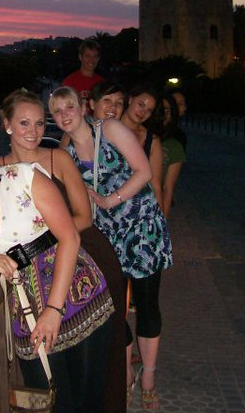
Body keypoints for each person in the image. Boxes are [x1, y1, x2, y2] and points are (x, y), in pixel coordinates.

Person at [0, 117, 114, 413]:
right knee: (51, 404)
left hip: (79, 297)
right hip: (27, 319)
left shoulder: (23, 177)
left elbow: (69, 237)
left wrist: (54, 310)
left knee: (89, 400)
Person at [0, 89, 127, 413]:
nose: (33, 131)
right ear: (6, 124)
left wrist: (43, 237)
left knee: (90, 389)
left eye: (40, 123)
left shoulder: (58, 158)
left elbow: (83, 217)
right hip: (29, 290)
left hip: (80, 270)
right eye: (24, 122)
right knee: (54, 396)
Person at [49, 87, 172, 411]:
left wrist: (109, 199)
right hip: (107, 237)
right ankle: (125, 375)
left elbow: (144, 171)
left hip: (141, 227)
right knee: (115, 310)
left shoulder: (111, 128)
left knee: (147, 305)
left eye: (69, 107)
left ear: (83, 106)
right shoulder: (64, 151)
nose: (64, 115)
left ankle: (148, 378)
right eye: (57, 110)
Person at [120, 85, 164, 210]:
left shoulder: (152, 140)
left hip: (139, 208)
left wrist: (161, 219)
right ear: (130, 100)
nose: (143, 112)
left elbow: (155, 184)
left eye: (149, 110)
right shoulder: (106, 127)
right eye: (141, 104)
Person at [159, 95, 186, 219]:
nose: (165, 113)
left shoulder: (174, 145)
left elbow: (168, 188)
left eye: (169, 110)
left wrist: (162, 223)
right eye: (162, 109)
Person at [62, 39, 105, 108]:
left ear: (98, 59)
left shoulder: (102, 83)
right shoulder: (69, 82)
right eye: (87, 56)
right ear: (80, 57)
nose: (91, 60)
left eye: (95, 56)